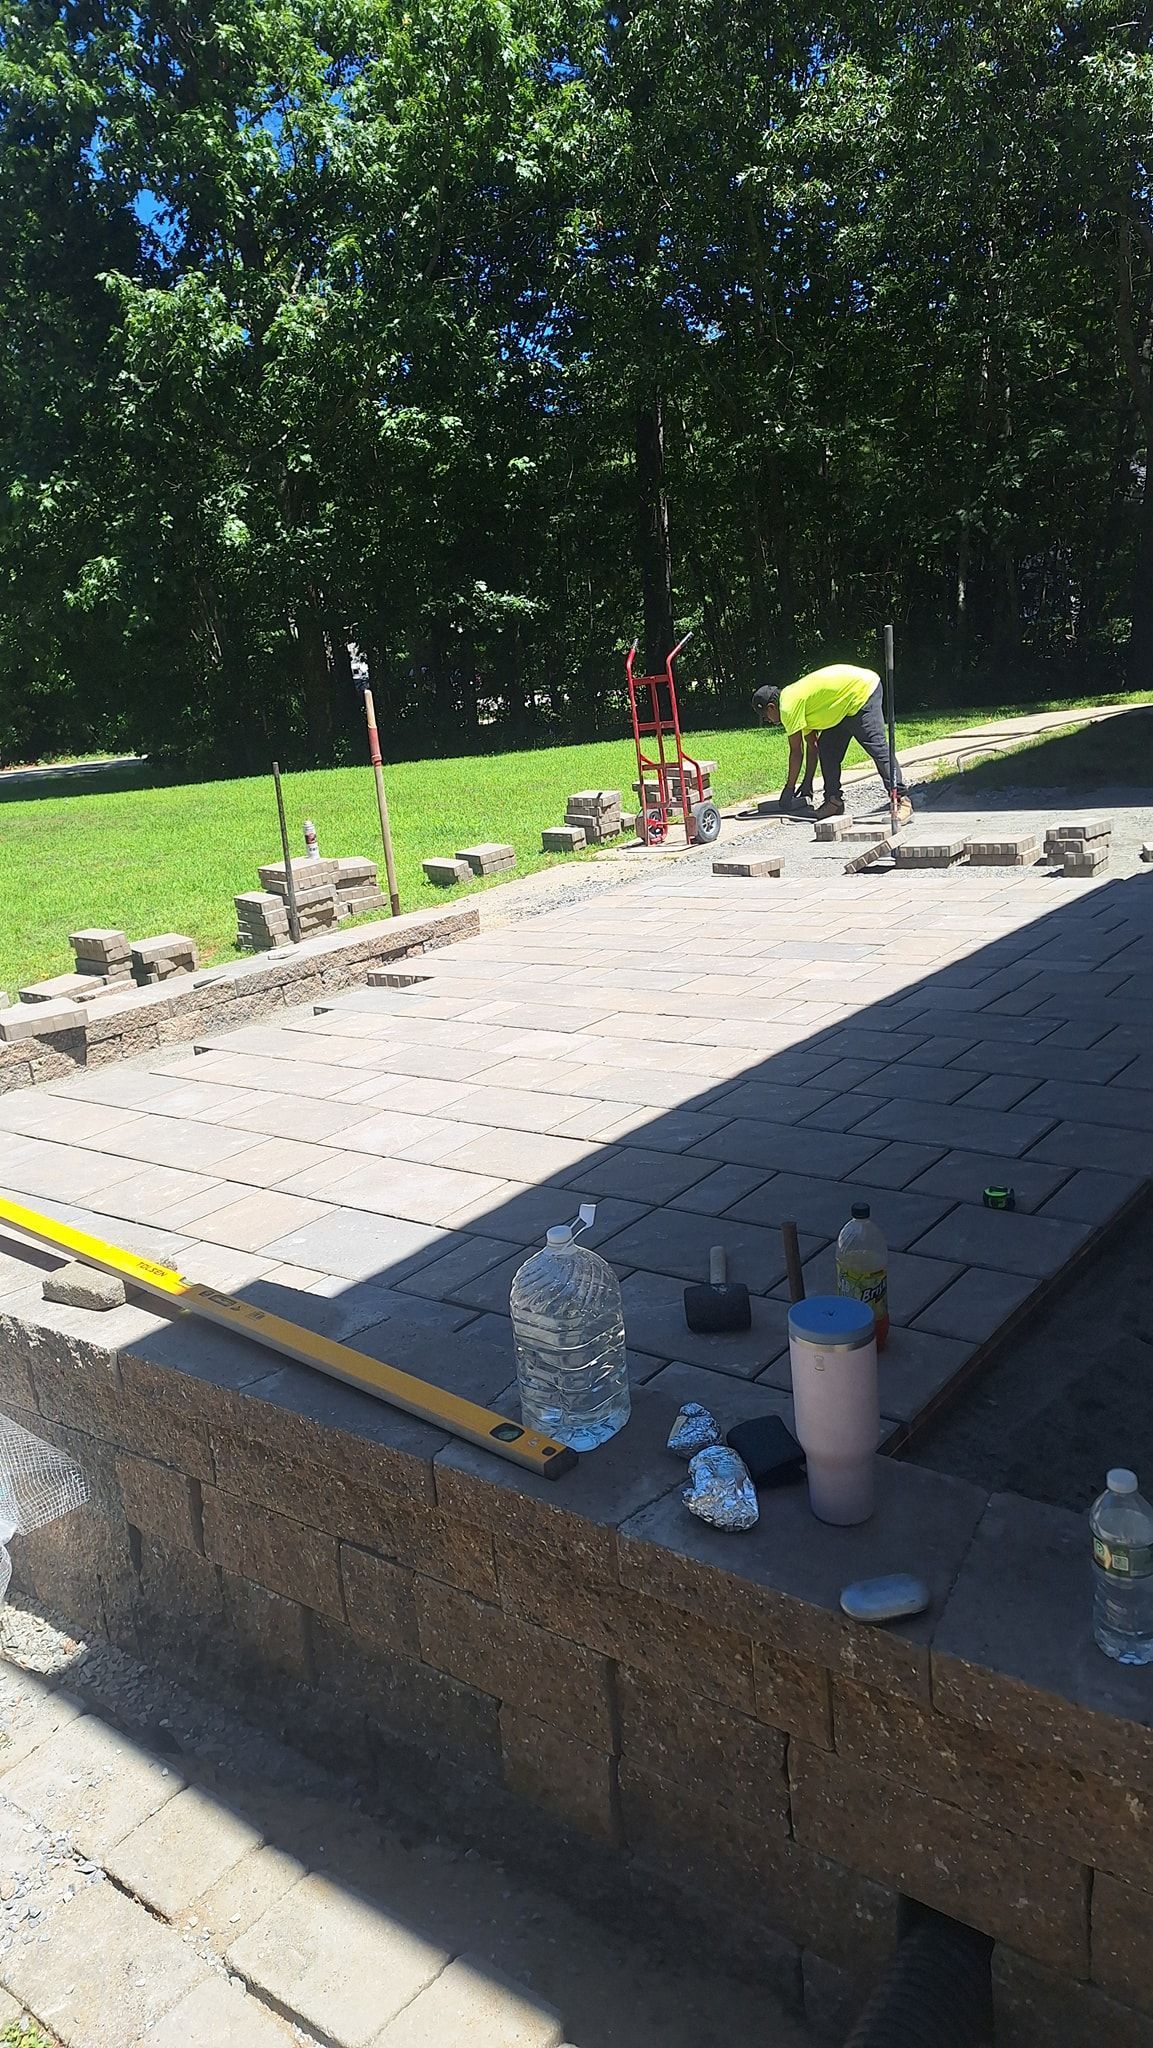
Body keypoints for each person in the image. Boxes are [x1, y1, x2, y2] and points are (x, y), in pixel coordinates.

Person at [752, 663, 912, 823]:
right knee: (827, 748)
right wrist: (807, 783)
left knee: (878, 749)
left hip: (862, 691)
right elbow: (812, 748)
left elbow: (796, 752)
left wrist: (789, 789)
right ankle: (833, 802)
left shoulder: (787, 708)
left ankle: (902, 801)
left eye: (766, 717)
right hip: (841, 706)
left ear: (772, 707)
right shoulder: (793, 701)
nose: (768, 721)